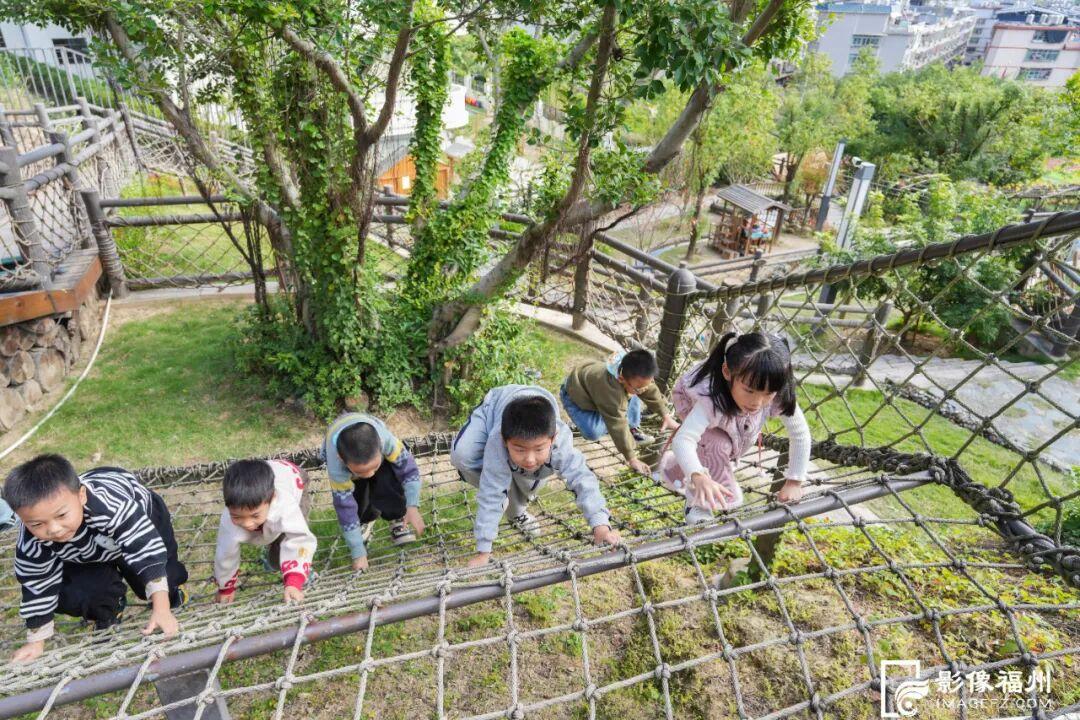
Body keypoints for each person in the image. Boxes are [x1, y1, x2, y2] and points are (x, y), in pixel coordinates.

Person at [4, 454, 188, 663]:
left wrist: (161, 608)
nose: (53, 529)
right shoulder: (32, 541)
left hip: (141, 522)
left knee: (157, 577)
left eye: (61, 515)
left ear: (81, 496)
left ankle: (172, 593)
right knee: (79, 592)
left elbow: (146, 550)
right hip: (85, 549)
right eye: (37, 524)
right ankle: (109, 608)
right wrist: (36, 642)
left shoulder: (111, 507)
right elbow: (37, 583)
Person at [450, 385, 621, 568]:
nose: (530, 459)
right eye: (520, 449)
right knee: (466, 458)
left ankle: (516, 510)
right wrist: (484, 551)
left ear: (553, 439)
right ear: (504, 440)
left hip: (537, 448)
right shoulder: (496, 440)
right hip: (495, 406)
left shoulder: (561, 444)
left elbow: (582, 480)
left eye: (539, 449)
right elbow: (491, 492)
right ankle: (507, 482)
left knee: (529, 475)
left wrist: (601, 526)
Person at [657, 332, 811, 524]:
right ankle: (698, 501)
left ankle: (681, 467)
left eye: (768, 393)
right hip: (709, 431)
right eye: (749, 390)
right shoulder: (710, 399)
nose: (757, 402)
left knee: (723, 448)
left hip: (740, 431)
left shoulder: (775, 389)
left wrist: (794, 482)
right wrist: (698, 476)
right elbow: (683, 439)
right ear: (727, 372)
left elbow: (800, 434)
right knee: (715, 445)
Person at [324, 412, 425, 571]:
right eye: (362, 471)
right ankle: (364, 521)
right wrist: (358, 553)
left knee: (387, 480)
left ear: (381, 446)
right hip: (346, 457)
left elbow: (409, 471)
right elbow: (345, 508)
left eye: (373, 467)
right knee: (358, 497)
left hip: (374, 452)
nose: (369, 474)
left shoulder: (387, 441)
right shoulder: (337, 468)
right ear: (342, 460)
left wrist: (412, 506)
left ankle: (397, 517)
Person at [214, 458, 317, 604]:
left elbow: (299, 538)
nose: (247, 524)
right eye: (237, 516)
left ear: (272, 499)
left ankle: (302, 570)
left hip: (294, 477)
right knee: (267, 543)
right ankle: (266, 532)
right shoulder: (228, 518)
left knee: (281, 552)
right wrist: (226, 588)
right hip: (262, 477)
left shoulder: (285, 506)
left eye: (255, 515)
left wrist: (294, 582)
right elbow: (225, 552)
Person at [560, 348, 679, 474]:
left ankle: (631, 428)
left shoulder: (631, 373)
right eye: (640, 388)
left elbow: (649, 390)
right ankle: (613, 421)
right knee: (593, 433)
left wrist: (666, 415)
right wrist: (632, 458)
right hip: (577, 397)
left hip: (600, 395)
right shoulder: (612, 391)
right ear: (621, 378)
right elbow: (617, 423)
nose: (644, 389)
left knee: (633, 393)